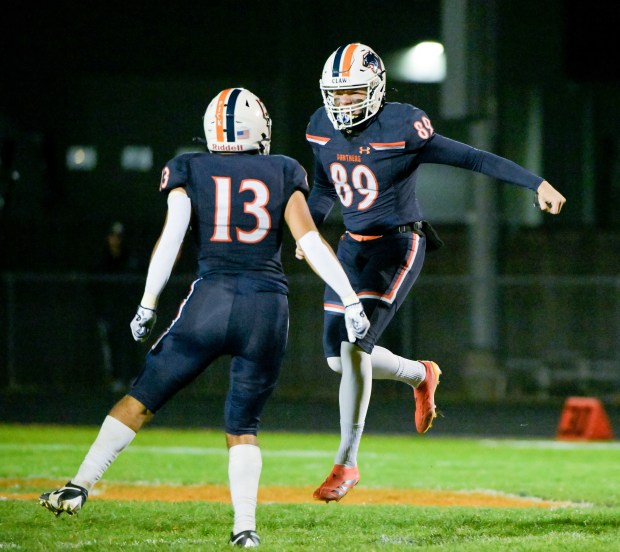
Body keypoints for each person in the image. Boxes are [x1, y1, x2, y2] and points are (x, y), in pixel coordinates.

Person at [39, 87, 370, 548]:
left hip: (209, 303)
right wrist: (350, 299)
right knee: (243, 427)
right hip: (266, 308)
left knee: (139, 400)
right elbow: (310, 242)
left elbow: (171, 239)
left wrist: (147, 303)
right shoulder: (283, 169)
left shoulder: (190, 166)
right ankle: (245, 529)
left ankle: (79, 485)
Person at [299, 43, 566, 502]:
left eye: (353, 92)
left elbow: (474, 158)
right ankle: (420, 374)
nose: (342, 103)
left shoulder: (402, 125)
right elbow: (324, 185)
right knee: (336, 361)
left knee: (353, 348)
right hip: (349, 248)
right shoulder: (321, 127)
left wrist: (535, 183)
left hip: (398, 243)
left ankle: (346, 463)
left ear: (377, 89)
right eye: (336, 94)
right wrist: (311, 229)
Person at [92, 221, 142, 391]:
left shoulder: (129, 258)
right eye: (113, 236)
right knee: (112, 344)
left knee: (131, 342)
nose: (116, 240)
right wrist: (101, 311)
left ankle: (134, 377)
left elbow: (135, 285)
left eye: (119, 236)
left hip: (128, 308)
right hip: (110, 310)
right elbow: (97, 288)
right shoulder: (102, 260)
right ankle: (115, 379)